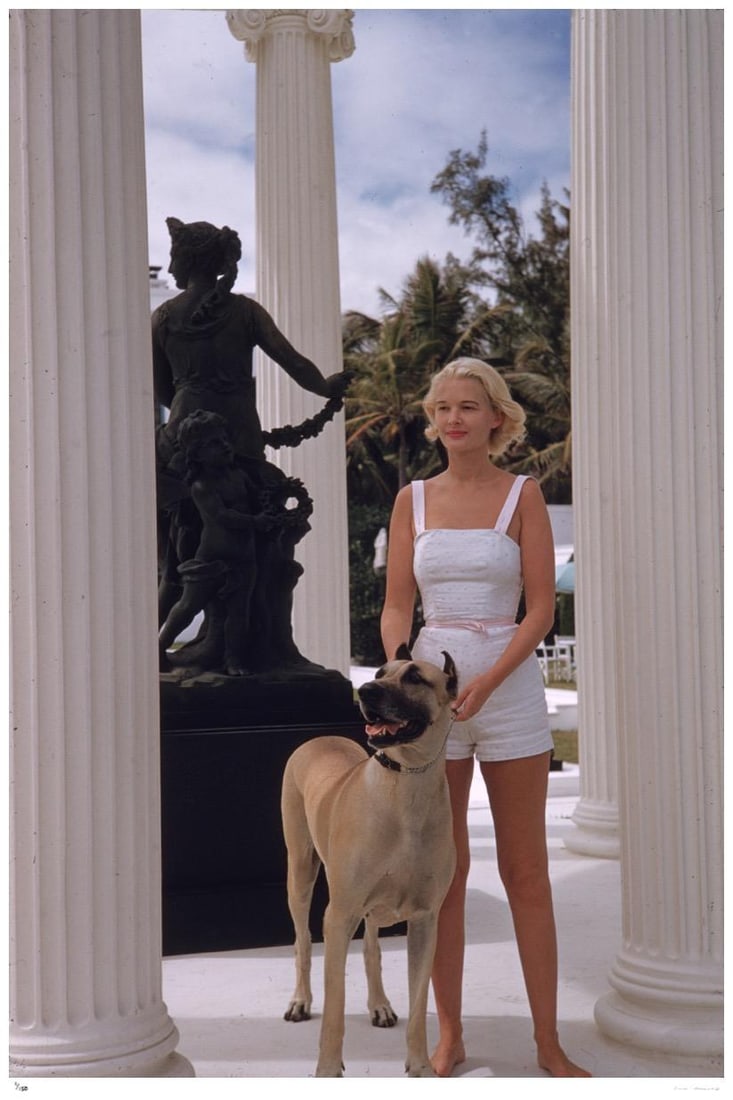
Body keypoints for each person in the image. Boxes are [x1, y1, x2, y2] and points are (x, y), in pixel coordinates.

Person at [380, 357, 590, 1078]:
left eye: (468, 407)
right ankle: (449, 1035)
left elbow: (539, 608)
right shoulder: (410, 501)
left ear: (496, 417)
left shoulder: (522, 496)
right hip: (433, 700)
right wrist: (407, 677)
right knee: (442, 874)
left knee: (524, 869)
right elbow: (397, 605)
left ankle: (547, 1043)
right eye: (441, 408)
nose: (453, 419)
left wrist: (492, 679)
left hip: (509, 694)